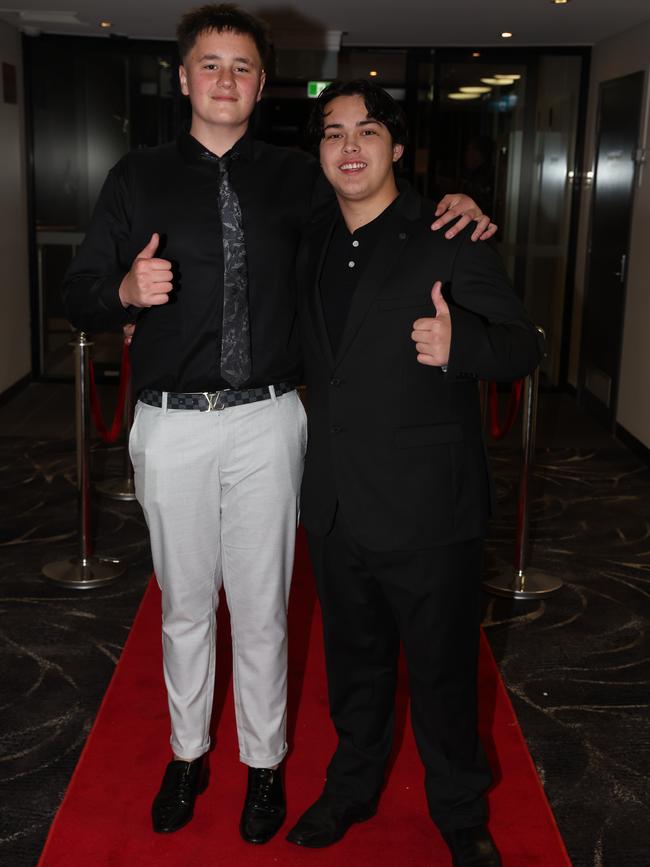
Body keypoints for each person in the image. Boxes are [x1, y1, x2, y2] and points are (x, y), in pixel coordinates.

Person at [61, 4, 494, 846]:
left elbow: (378, 214)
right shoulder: (135, 176)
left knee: (263, 606)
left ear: (263, 84)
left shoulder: (298, 178)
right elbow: (77, 289)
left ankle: (265, 763)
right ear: (184, 77)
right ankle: (187, 754)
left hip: (268, 419)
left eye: (244, 67)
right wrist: (120, 293)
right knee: (185, 603)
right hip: (171, 422)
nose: (227, 80)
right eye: (211, 65)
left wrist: (455, 201)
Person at [286, 80, 544, 866]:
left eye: (368, 130)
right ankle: (353, 785)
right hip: (335, 502)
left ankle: (460, 810)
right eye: (334, 133)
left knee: (441, 674)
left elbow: (524, 343)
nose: (351, 145)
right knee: (354, 666)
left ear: (397, 146)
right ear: (321, 153)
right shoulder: (311, 239)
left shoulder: (448, 231)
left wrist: (461, 343)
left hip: (430, 508)